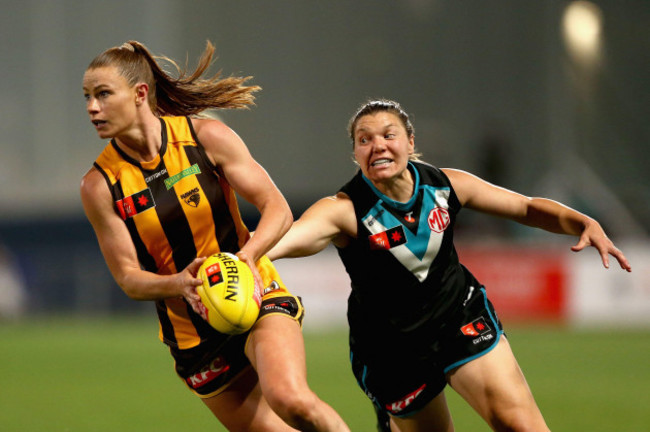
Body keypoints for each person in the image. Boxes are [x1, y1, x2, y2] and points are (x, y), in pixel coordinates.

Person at [267, 99, 632, 432]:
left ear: (410, 142)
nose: (377, 145)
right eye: (364, 140)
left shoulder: (445, 186)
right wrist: (246, 255)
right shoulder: (344, 209)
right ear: (356, 154)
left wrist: (582, 222)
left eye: (388, 135)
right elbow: (291, 236)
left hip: (457, 318)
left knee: (520, 425)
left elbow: (525, 207)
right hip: (391, 348)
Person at [80, 40, 350, 432]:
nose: (92, 108)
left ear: (140, 94)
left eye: (103, 94)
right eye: (87, 97)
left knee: (294, 403)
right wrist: (179, 283)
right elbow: (128, 277)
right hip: (193, 337)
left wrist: (248, 257)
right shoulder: (99, 185)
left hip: (256, 297)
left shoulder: (205, 137)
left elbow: (277, 209)